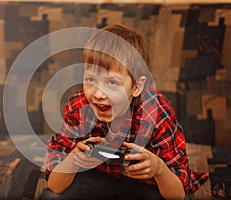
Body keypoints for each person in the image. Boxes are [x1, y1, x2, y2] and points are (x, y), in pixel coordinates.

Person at [39, 24, 208, 200]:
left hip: (146, 184)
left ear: (136, 86)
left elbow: (178, 194)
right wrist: (74, 159)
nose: (98, 94)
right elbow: (54, 186)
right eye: (90, 79)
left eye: (112, 83)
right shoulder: (79, 107)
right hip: (96, 177)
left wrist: (158, 169)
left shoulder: (156, 114)